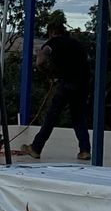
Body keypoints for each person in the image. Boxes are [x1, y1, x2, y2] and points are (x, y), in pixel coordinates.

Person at [25, 10, 91, 161]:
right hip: (82, 84)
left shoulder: (53, 42)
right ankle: (85, 150)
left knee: (52, 116)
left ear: (51, 32)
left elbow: (41, 58)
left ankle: (36, 148)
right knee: (78, 117)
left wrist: (46, 72)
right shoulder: (76, 43)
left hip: (67, 83)